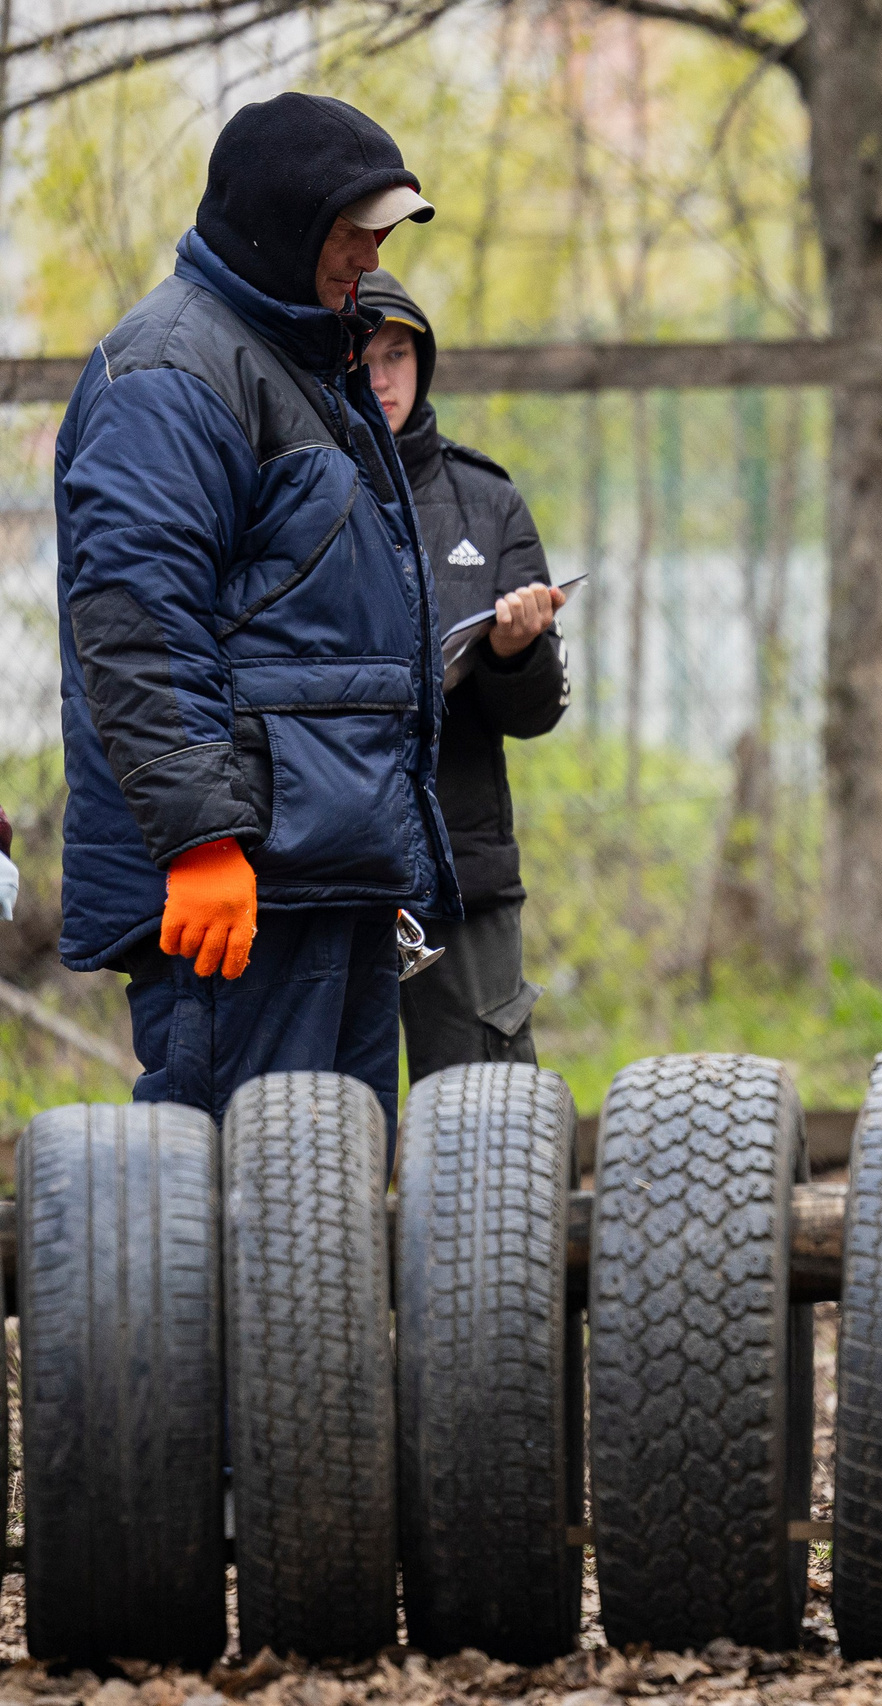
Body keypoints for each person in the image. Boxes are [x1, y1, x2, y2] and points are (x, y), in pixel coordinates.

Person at [54, 92, 454, 1132]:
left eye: (380, 235)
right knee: (236, 1214)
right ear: (280, 220)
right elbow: (136, 622)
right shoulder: (170, 373)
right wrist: (199, 845)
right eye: (349, 231)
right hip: (241, 888)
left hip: (332, 875)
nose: (368, 256)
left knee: (332, 1220)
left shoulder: (310, 359)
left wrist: (388, 850)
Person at [363, 272, 568, 1082]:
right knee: (317, 1126)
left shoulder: (488, 502)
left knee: (486, 1113)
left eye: (398, 355)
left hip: (464, 868)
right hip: (323, 870)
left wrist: (517, 651)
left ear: (423, 361)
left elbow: (538, 713)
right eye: (362, 357)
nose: (380, 380)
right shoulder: (282, 494)